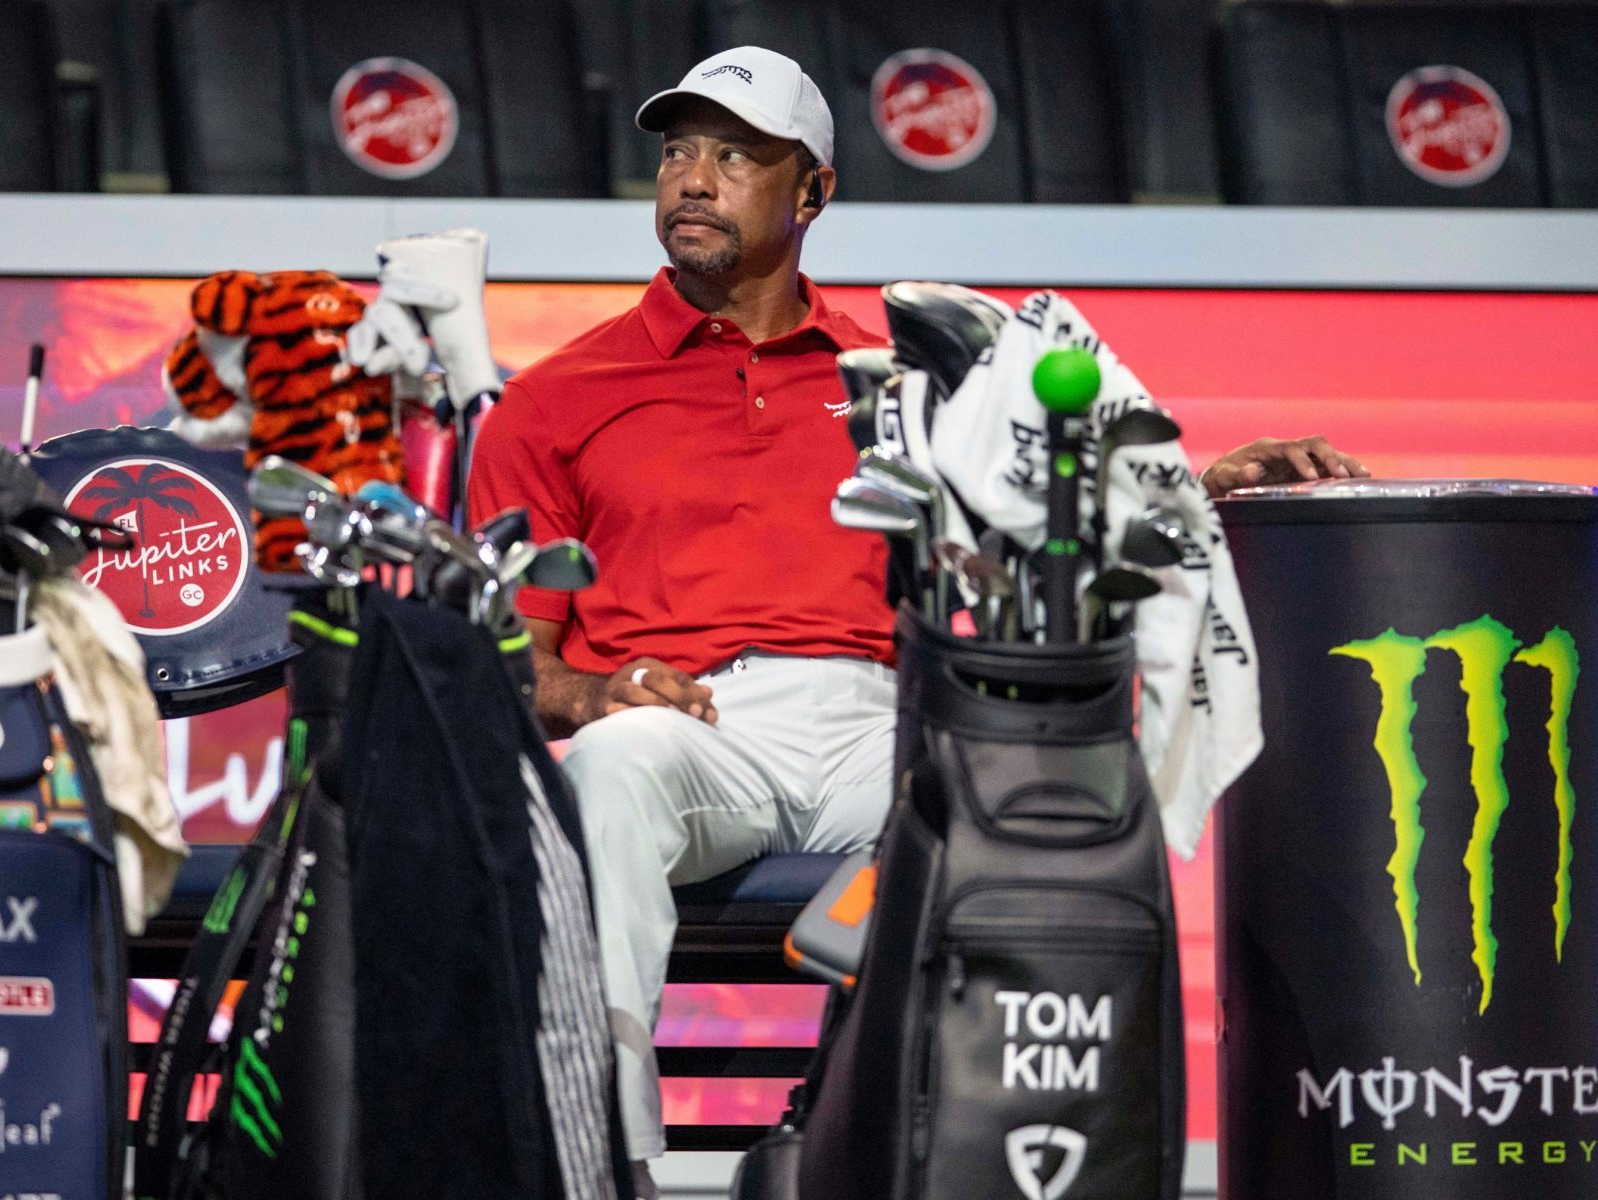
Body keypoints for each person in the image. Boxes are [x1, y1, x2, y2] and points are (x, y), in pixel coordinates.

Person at [466, 45, 1367, 1194]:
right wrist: (599, 691)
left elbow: (1063, 497)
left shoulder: (913, 374)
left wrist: (1204, 482)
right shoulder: (555, 400)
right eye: (678, 151)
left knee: (1009, 802)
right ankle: (607, 1158)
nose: (693, 177)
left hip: (878, 729)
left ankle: (871, 1134)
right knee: (606, 772)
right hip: (688, 727)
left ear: (812, 193)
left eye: (736, 155)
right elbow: (509, 664)